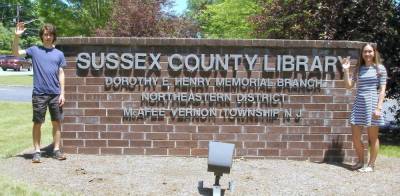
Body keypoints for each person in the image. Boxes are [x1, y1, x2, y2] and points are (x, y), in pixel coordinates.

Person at [12, 22, 67, 163]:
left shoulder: (59, 54)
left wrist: (62, 93)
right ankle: (37, 151)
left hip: (55, 94)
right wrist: (16, 37)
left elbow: (61, 73)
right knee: (37, 123)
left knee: (57, 122)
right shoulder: (34, 50)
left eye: (50, 34)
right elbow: (16, 53)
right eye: (45, 34)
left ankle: (56, 150)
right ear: (42, 36)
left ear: (54, 36)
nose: (48, 37)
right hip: (39, 94)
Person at [341, 43, 387, 172]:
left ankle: (371, 165)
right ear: (362, 54)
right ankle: (361, 162)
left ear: (374, 52)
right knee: (355, 137)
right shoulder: (358, 69)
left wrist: (378, 108)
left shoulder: (380, 69)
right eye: (365, 52)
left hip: (372, 104)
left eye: (370, 51)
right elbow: (349, 86)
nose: (367, 54)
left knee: (373, 138)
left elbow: (383, 90)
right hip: (359, 103)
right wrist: (346, 70)